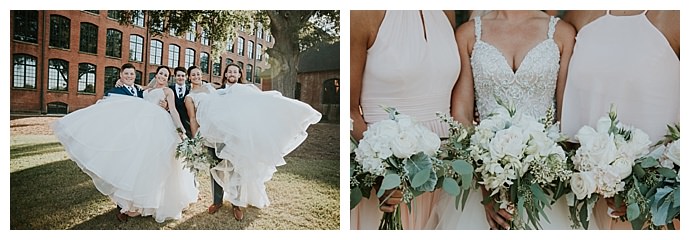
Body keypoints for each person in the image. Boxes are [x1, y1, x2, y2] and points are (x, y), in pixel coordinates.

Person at [427, 10, 578, 230]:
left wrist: (543, 167)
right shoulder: (468, 34)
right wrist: (486, 179)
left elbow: (566, 116)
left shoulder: (562, 33)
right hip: (483, 179)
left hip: (546, 181)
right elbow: (461, 115)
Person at [561, 10, 680, 230]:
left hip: (654, 205)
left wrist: (650, 189)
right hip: (583, 194)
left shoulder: (676, 16)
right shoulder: (579, 15)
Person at [350, 10, 460, 230]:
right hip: (390, 178)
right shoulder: (362, 13)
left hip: (444, 175)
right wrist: (381, 171)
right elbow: (350, 110)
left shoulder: (446, 11)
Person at [53, 64, 198, 223]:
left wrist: (180, 129)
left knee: (156, 165)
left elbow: (174, 111)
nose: (163, 77)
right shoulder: (144, 91)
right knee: (137, 165)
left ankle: (150, 203)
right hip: (142, 132)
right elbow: (133, 91)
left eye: (165, 75)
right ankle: (133, 204)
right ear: (155, 75)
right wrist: (119, 81)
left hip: (160, 129)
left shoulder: (167, 91)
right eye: (160, 74)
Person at [187, 63, 322, 221]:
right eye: (229, 71)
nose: (232, 74)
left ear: (239, 75)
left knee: (236, 169)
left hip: (237, 137)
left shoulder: (246, 91)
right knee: (215, 168)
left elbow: (262, 104)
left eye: (235, 72)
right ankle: (217, 201)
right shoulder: (218, 93)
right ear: (225, 74)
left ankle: (236, 203)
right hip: (216, 138)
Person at [170, 66, 192, 138]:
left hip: (187, 125)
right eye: (178, 75)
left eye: (183, 76)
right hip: (172, 123)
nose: (180, 78)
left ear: (186, 77)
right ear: (175, 77)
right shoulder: (169, 89)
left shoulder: (191, 91)